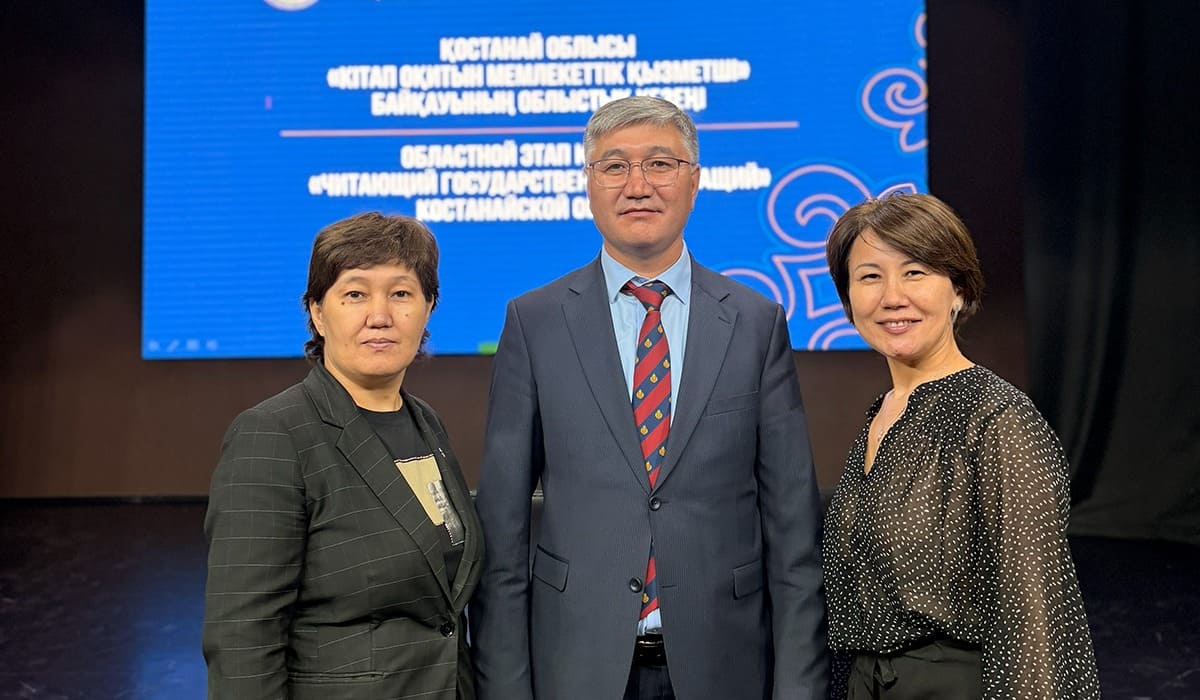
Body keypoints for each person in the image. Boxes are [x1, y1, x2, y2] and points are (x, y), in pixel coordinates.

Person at [469, 96, 829, 700]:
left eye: (660, 164)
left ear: (694, 181)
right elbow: (502, 539)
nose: (637, 185)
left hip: (724, 666)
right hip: (575, 668)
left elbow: (793, 538)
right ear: (589, 183)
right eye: (614, 166)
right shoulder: (535, 322)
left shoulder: (755, 322)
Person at [820, 193, 1100, 698]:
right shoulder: (883, 413)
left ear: (959, 290)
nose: (892, 296)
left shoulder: (999, 419)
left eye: (915, 272)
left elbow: (1036, 615)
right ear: (848, 300)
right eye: (869, 276)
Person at [202, 213, 483, 699]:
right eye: (355, 294)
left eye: (401, 293)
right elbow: (242, 639)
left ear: (429, 308)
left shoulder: (425, 423)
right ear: (317, 312)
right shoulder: (274, 434)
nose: (380, 315)